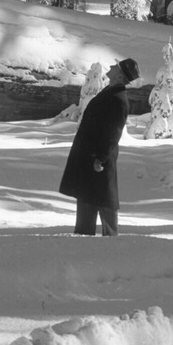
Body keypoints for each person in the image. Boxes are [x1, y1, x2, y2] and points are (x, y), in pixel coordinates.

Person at [59, 57, 139, 236]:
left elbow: (113, 133)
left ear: (120, 75)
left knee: (104, 199)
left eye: (116, 67)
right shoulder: (110, 91)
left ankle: (110, 237)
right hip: (91, 154)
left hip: (99, 157)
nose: (111, 67)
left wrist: (101, 157)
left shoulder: (118, 99)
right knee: (88, 195)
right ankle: (83, 233)